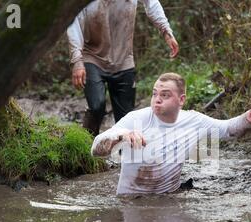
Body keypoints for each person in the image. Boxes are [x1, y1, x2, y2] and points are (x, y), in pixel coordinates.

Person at [91, 73, 251, 195]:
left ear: (181, 100)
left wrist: (246, 118)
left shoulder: (194, 121)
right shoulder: (136, 119)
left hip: (170, 197)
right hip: (131, 201)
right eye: (154, 94)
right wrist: (121, 135)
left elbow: (228, 129)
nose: (157, 99)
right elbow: (96, 150)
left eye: (165, 95)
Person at [67, 0, 179, 136]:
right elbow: (73, 23)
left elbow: (152, 3)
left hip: (124, 60)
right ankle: (85, 147)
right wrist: (77, 61)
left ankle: (124, 155)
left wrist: (166, 31)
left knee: (126, 119)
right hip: (92, 56)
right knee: (96, 106)